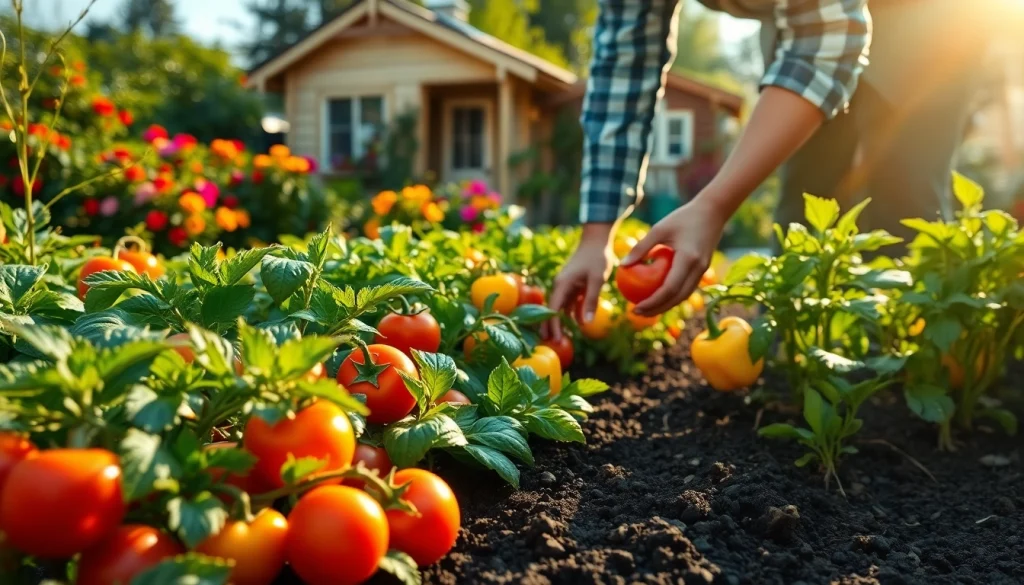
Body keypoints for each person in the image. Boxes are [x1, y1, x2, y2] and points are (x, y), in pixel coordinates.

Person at [547, 0, 1003, 338]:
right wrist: (597, 234)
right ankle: (794, 353)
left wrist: (715, 203)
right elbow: (625, 64)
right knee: (805, 196)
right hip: (797, 14)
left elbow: (829, 39)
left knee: (906, 190)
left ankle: (913, 364)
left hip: (927, 16)